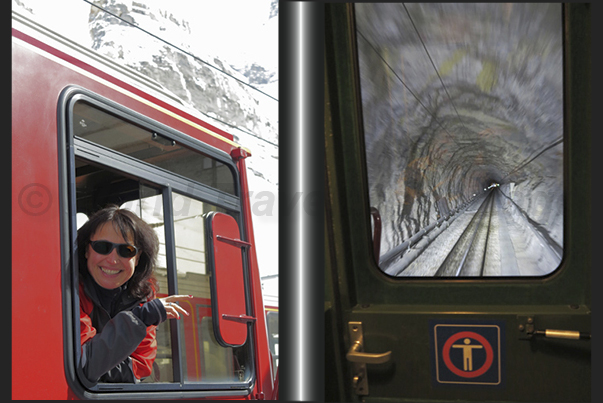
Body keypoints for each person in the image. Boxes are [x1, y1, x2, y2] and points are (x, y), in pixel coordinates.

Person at [76, 205, 192, 385]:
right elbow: (86, 364)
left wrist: (99, 363)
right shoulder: (69, 295)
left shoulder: (144, 301)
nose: (113, 259)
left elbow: (140, 370)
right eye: (102, 247)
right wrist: (139, 318)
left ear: (137, 259)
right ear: (86, 250)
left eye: (126, 251)